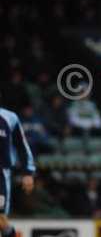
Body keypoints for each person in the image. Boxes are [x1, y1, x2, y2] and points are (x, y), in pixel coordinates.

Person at [0, 96, 35, 237]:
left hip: (0, 174)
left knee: (1, 219)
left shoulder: (9, 117)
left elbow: (22, 146)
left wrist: (28, 172)